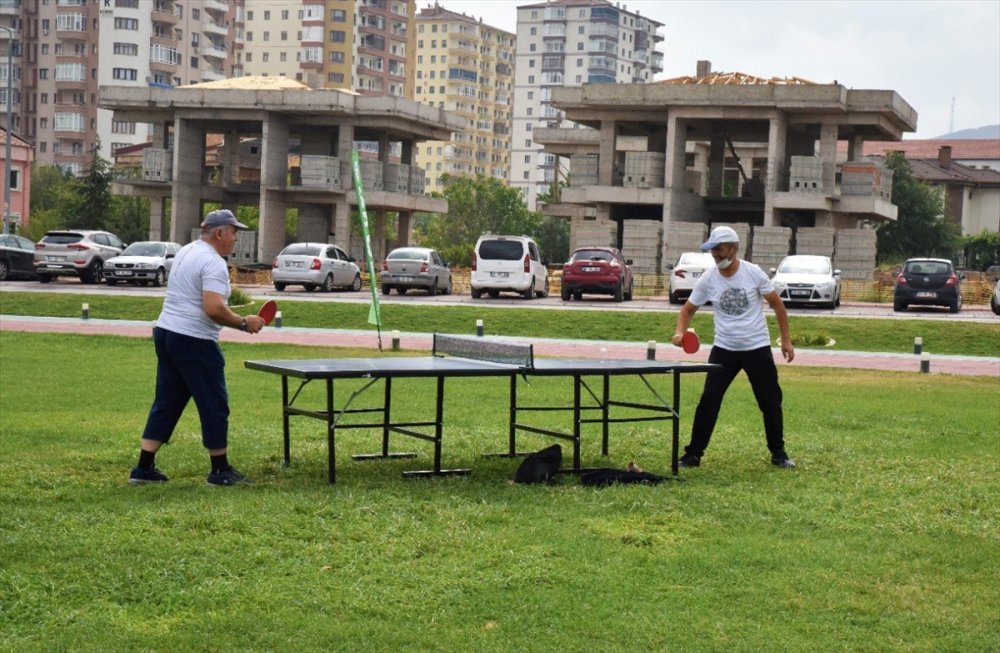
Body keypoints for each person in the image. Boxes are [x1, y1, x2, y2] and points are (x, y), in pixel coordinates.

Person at [129, 209, 265, 486]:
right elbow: (213, 308)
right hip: (194, 340)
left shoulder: (188, 251)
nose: (236, 238)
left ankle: (143, 468)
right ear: (219, 233)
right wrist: (243, 322)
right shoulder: (213, 262)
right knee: (214, 402)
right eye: (234, 232)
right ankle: (220, 470)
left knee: (167, 401)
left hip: (166, 333)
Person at [671, 225, 796, 469]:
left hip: (756, 347)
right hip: (724, 349)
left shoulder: (753, 273)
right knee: (709, 400)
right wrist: (679, 332)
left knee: (770, 401)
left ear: (734, 249)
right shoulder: (709, 278)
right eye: (712, 250)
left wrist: (787, 340)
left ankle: (778, 453)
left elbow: (778, 306)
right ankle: (693, 454)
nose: (715, 254)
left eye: (719, 249)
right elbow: (687, 309)